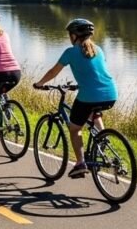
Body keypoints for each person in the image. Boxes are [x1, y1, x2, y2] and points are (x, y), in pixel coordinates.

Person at [33, 18, 118, 179]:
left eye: (70, 34)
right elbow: (95, 72)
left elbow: (53, 72)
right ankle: (103, 140)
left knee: (74, 129)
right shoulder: (99, 49)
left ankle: (80, 163)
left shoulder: (70, 52)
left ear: (74, 36)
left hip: (90, 95)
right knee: (95, 114)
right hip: (111, 94)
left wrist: (40, 83)